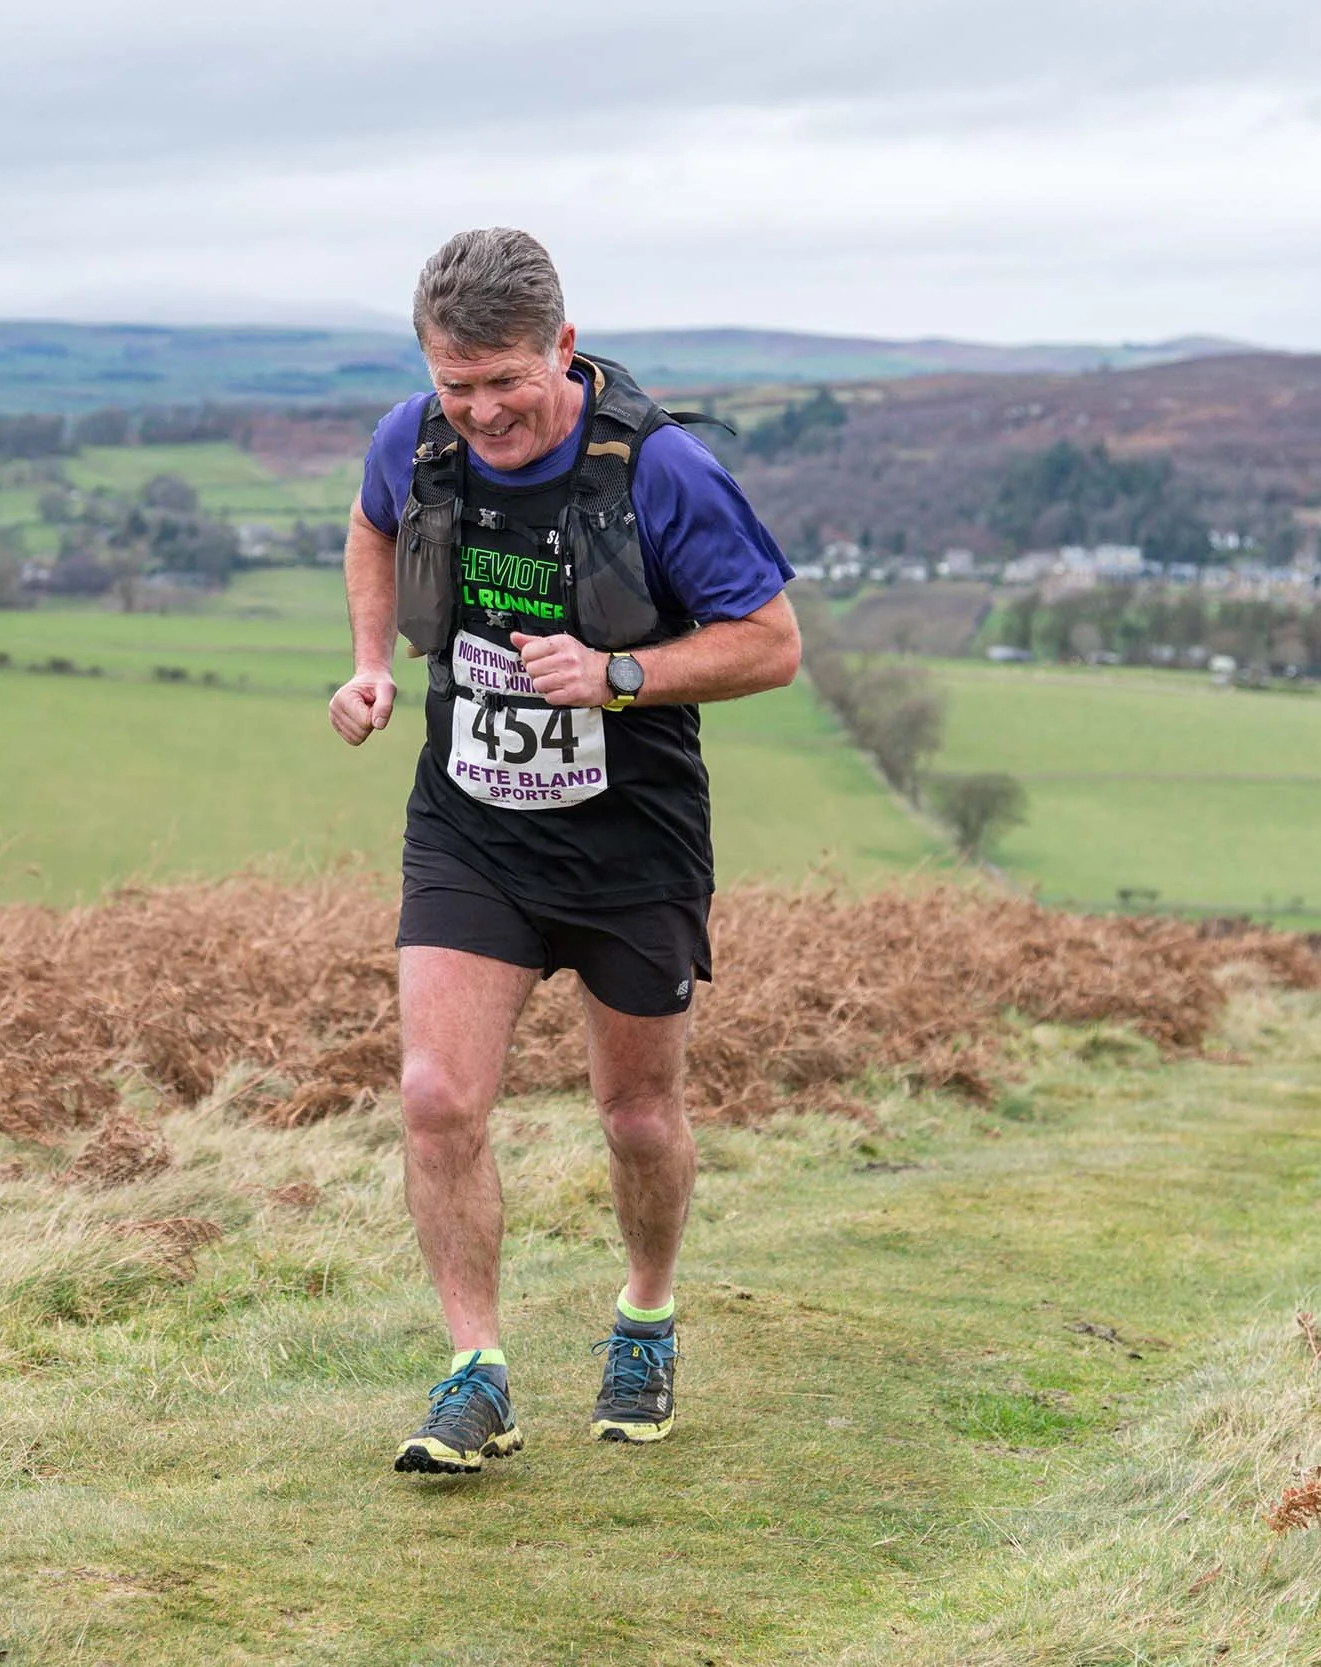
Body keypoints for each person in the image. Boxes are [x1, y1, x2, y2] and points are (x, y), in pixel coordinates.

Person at [329, 228, 802, 1474]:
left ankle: (644, 1315)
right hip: (470, 822)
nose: (480, 411)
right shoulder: (411, 440)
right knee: (435, 1096)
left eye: (505, 381)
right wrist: (373, 665)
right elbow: (374, 525)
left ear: (565, 347)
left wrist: (617, 673)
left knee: (637, 1112)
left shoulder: (665, 473)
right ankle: (474, 1368)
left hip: (630, 833)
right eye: (455, 384)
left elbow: (770, 640)